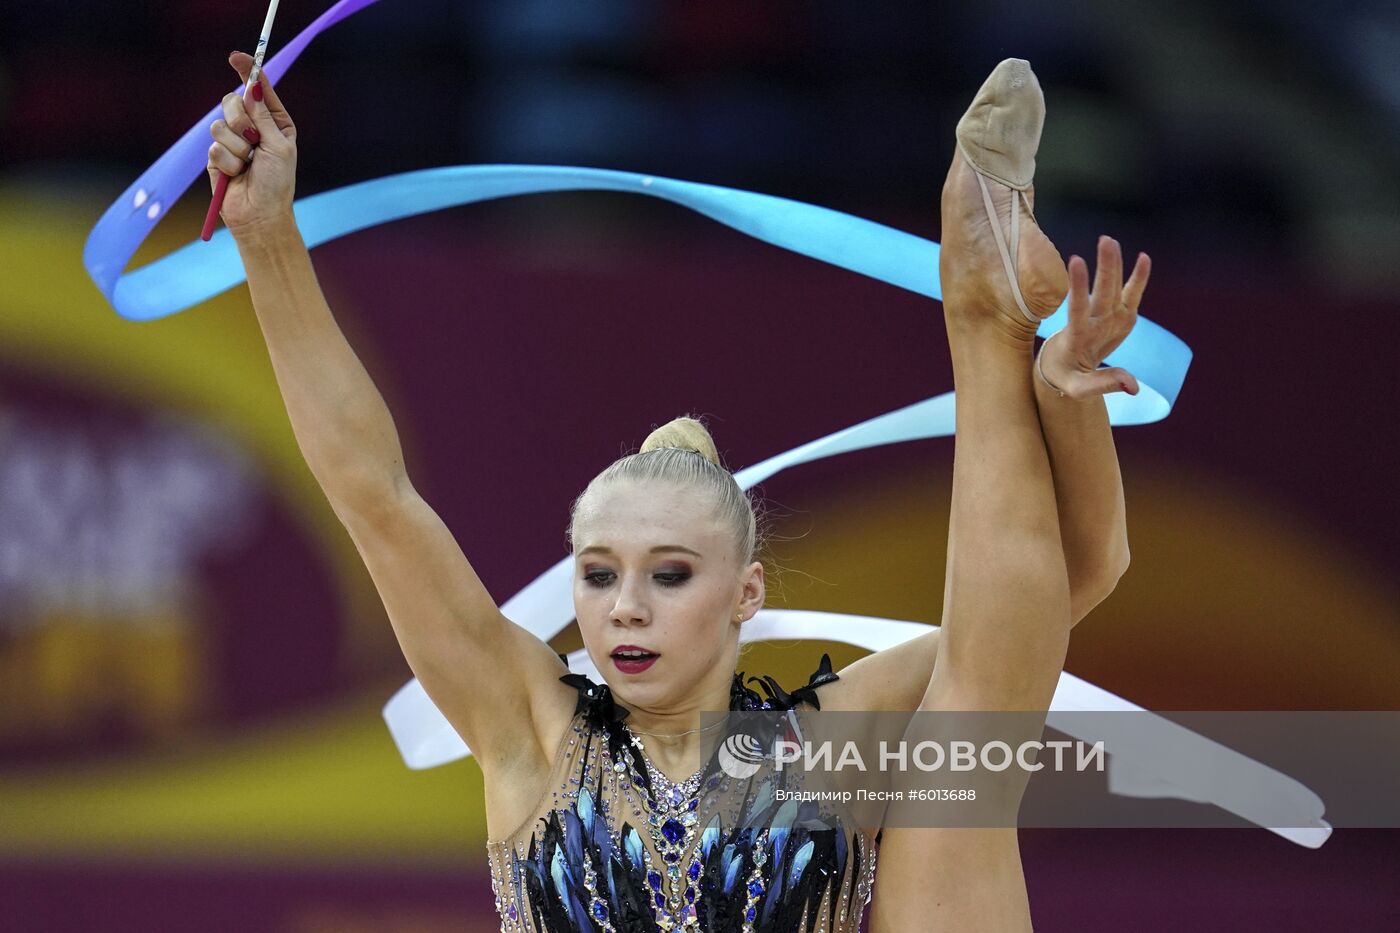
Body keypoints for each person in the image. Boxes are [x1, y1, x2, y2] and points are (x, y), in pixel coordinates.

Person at [210, 52, 1148, 932]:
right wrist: (267, 237)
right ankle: (984, 315)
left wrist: (1066, 405)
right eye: (598, 574)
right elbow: (374, 493)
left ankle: (983, 311)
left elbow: (1055, 599)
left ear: (747, 591)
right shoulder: (531, 729)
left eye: (668, 575)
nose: (624, 610)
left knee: (973, 726)